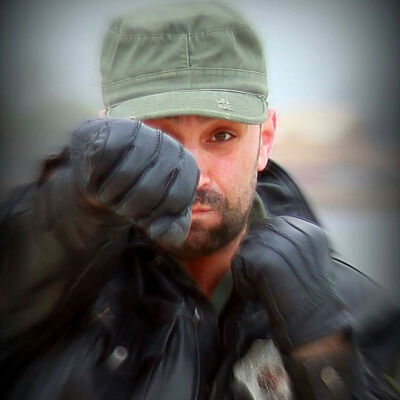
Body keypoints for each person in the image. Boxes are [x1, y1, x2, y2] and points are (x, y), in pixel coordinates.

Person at [0, 2, 399, 399]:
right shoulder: (59, 292)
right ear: (108, 137)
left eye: (222, 136)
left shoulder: (357, 312)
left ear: (265, 140)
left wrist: (323, 353)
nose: (193, 175)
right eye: (159, 140)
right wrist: (77, 204)